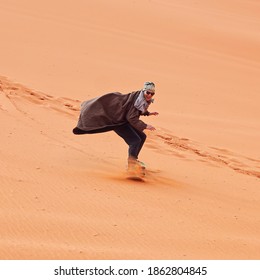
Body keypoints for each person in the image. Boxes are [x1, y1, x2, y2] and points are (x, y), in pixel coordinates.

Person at [73, 81, 159, 169]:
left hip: (123, 121)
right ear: (143, 91)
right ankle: (131, 166)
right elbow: (131, 117)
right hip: (117, 122)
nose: (149, 95)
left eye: (152, 94)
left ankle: (133, 160)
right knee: (135, 141)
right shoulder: (138, 100)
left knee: (142, 136)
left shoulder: (140, 98)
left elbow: (135, 110)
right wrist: (145, 126)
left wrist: (148, 113)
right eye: (147, 92)